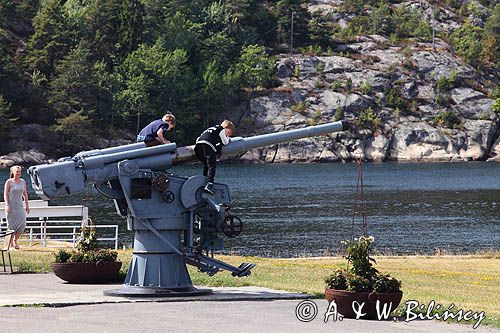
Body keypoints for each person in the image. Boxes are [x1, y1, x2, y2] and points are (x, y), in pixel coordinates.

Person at [194, 120, 235, 194]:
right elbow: (225, 141)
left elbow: (198, 138)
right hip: (208, 145)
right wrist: (228, 138)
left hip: (198, 146)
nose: (228, 135)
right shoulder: (221, 129)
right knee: (212, 165)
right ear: (226, 127)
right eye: (228, 133)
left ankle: (205, 180)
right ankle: (210, 184)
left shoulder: (210, 128)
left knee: (207, 165)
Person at [3, 165, 29, 249]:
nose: (18, 173)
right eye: (17, 171)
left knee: (22, 226)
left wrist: (27, 205)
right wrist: (7, 205)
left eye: (19, 171)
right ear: (13, 172)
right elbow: (6, 194)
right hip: (11, 207)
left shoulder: (23, 181)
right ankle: (9, 245)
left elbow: (25, 194)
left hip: (19, 207)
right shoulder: (9, 182)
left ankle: (14, 240)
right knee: (11, 227)